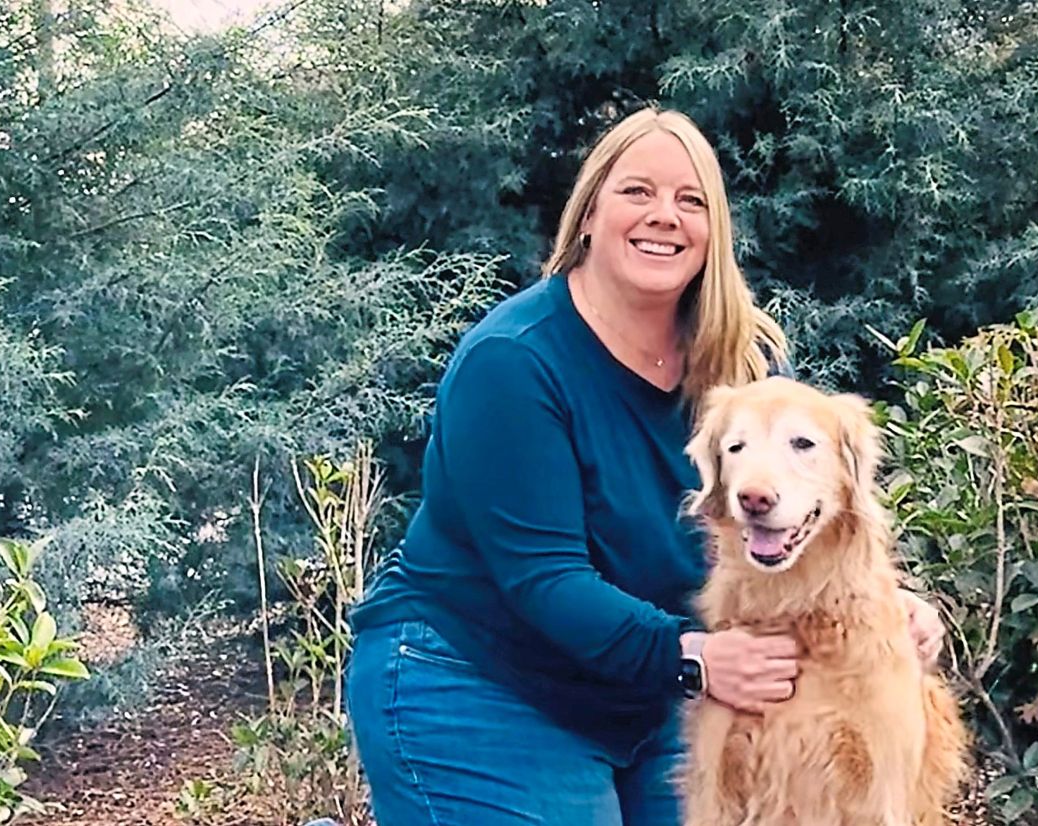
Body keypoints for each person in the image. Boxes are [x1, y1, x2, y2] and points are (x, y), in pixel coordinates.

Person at [344, 107, 946, 826]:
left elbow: (798, 513)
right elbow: (545, 580)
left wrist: (878, 606)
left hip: (648, 681)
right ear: (589, 211)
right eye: (637, 192)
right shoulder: (513, 362)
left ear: (712, 231)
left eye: (690, 201)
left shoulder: (746, 362)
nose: (664, 216)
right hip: (478, 676)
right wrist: (693, 658)